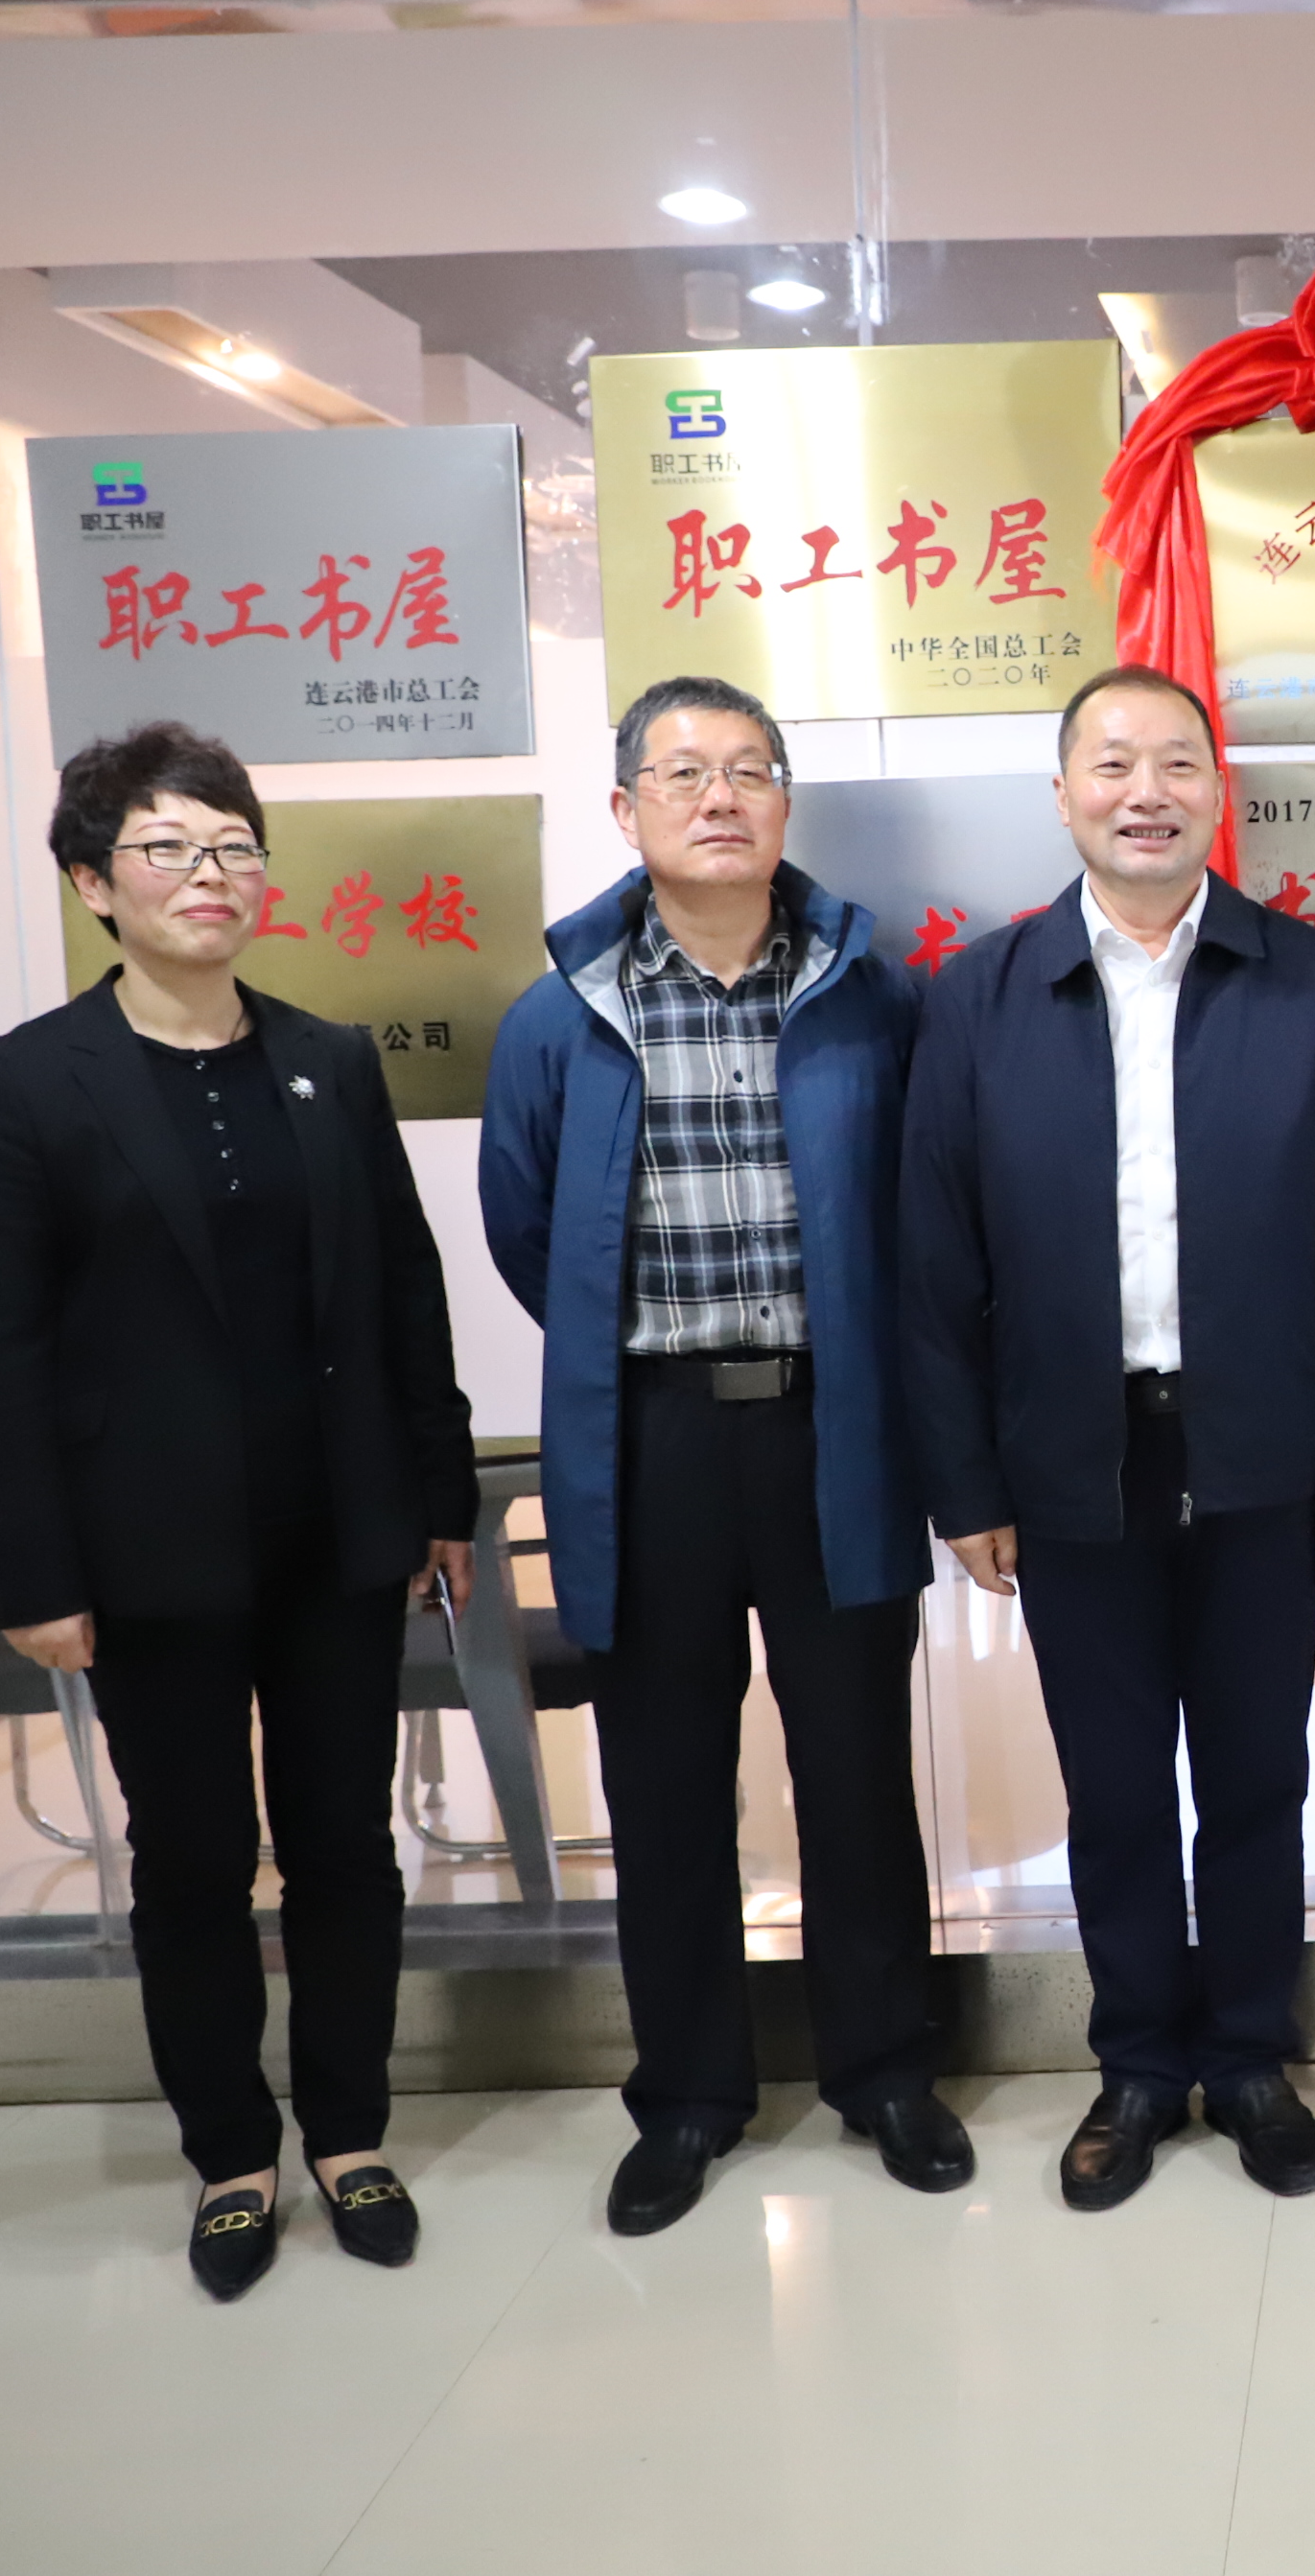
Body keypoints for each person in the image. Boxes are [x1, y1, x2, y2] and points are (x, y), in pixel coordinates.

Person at [0, 721, 477, 2302]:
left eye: (234, 847)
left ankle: (351, 2132)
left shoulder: (331, 1059)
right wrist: (35, 1570)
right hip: (148, 1554)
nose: (209, 875)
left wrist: (439, 1497)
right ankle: (233, 2155)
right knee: (190, 1859)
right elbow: (4, 1350)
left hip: (336, 1538)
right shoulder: (28, 1082)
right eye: (168, 849)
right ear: (93, 884)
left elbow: (403, 1292)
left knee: (345, 1847)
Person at [904, 666, 1315, 2211]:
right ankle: (1136, 2061)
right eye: (1113, 764)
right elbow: (936, 1265)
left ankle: (1247, 2054)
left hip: (1258, 1455)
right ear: (1063, 795)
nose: (1147, 792)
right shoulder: (982, 996)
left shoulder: (1302, 978)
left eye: (1178, 764)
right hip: (1071, 1461)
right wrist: (965, 1482)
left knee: (1257, 1776)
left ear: (1216, 792)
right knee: (1115, 1786)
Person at [480, 673, 965, 2236]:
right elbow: (528, 1229)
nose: (720, 796)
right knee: (665, 1778)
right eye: (684, 773)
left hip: (837, 1427)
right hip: (652, 1438)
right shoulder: (561, 1017)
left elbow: (928, 1212)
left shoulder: (871, 997)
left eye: (750, 770)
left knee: (857, 1768)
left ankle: (883, 2071)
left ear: (785, 804)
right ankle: (688, 2095)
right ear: (626, 809)